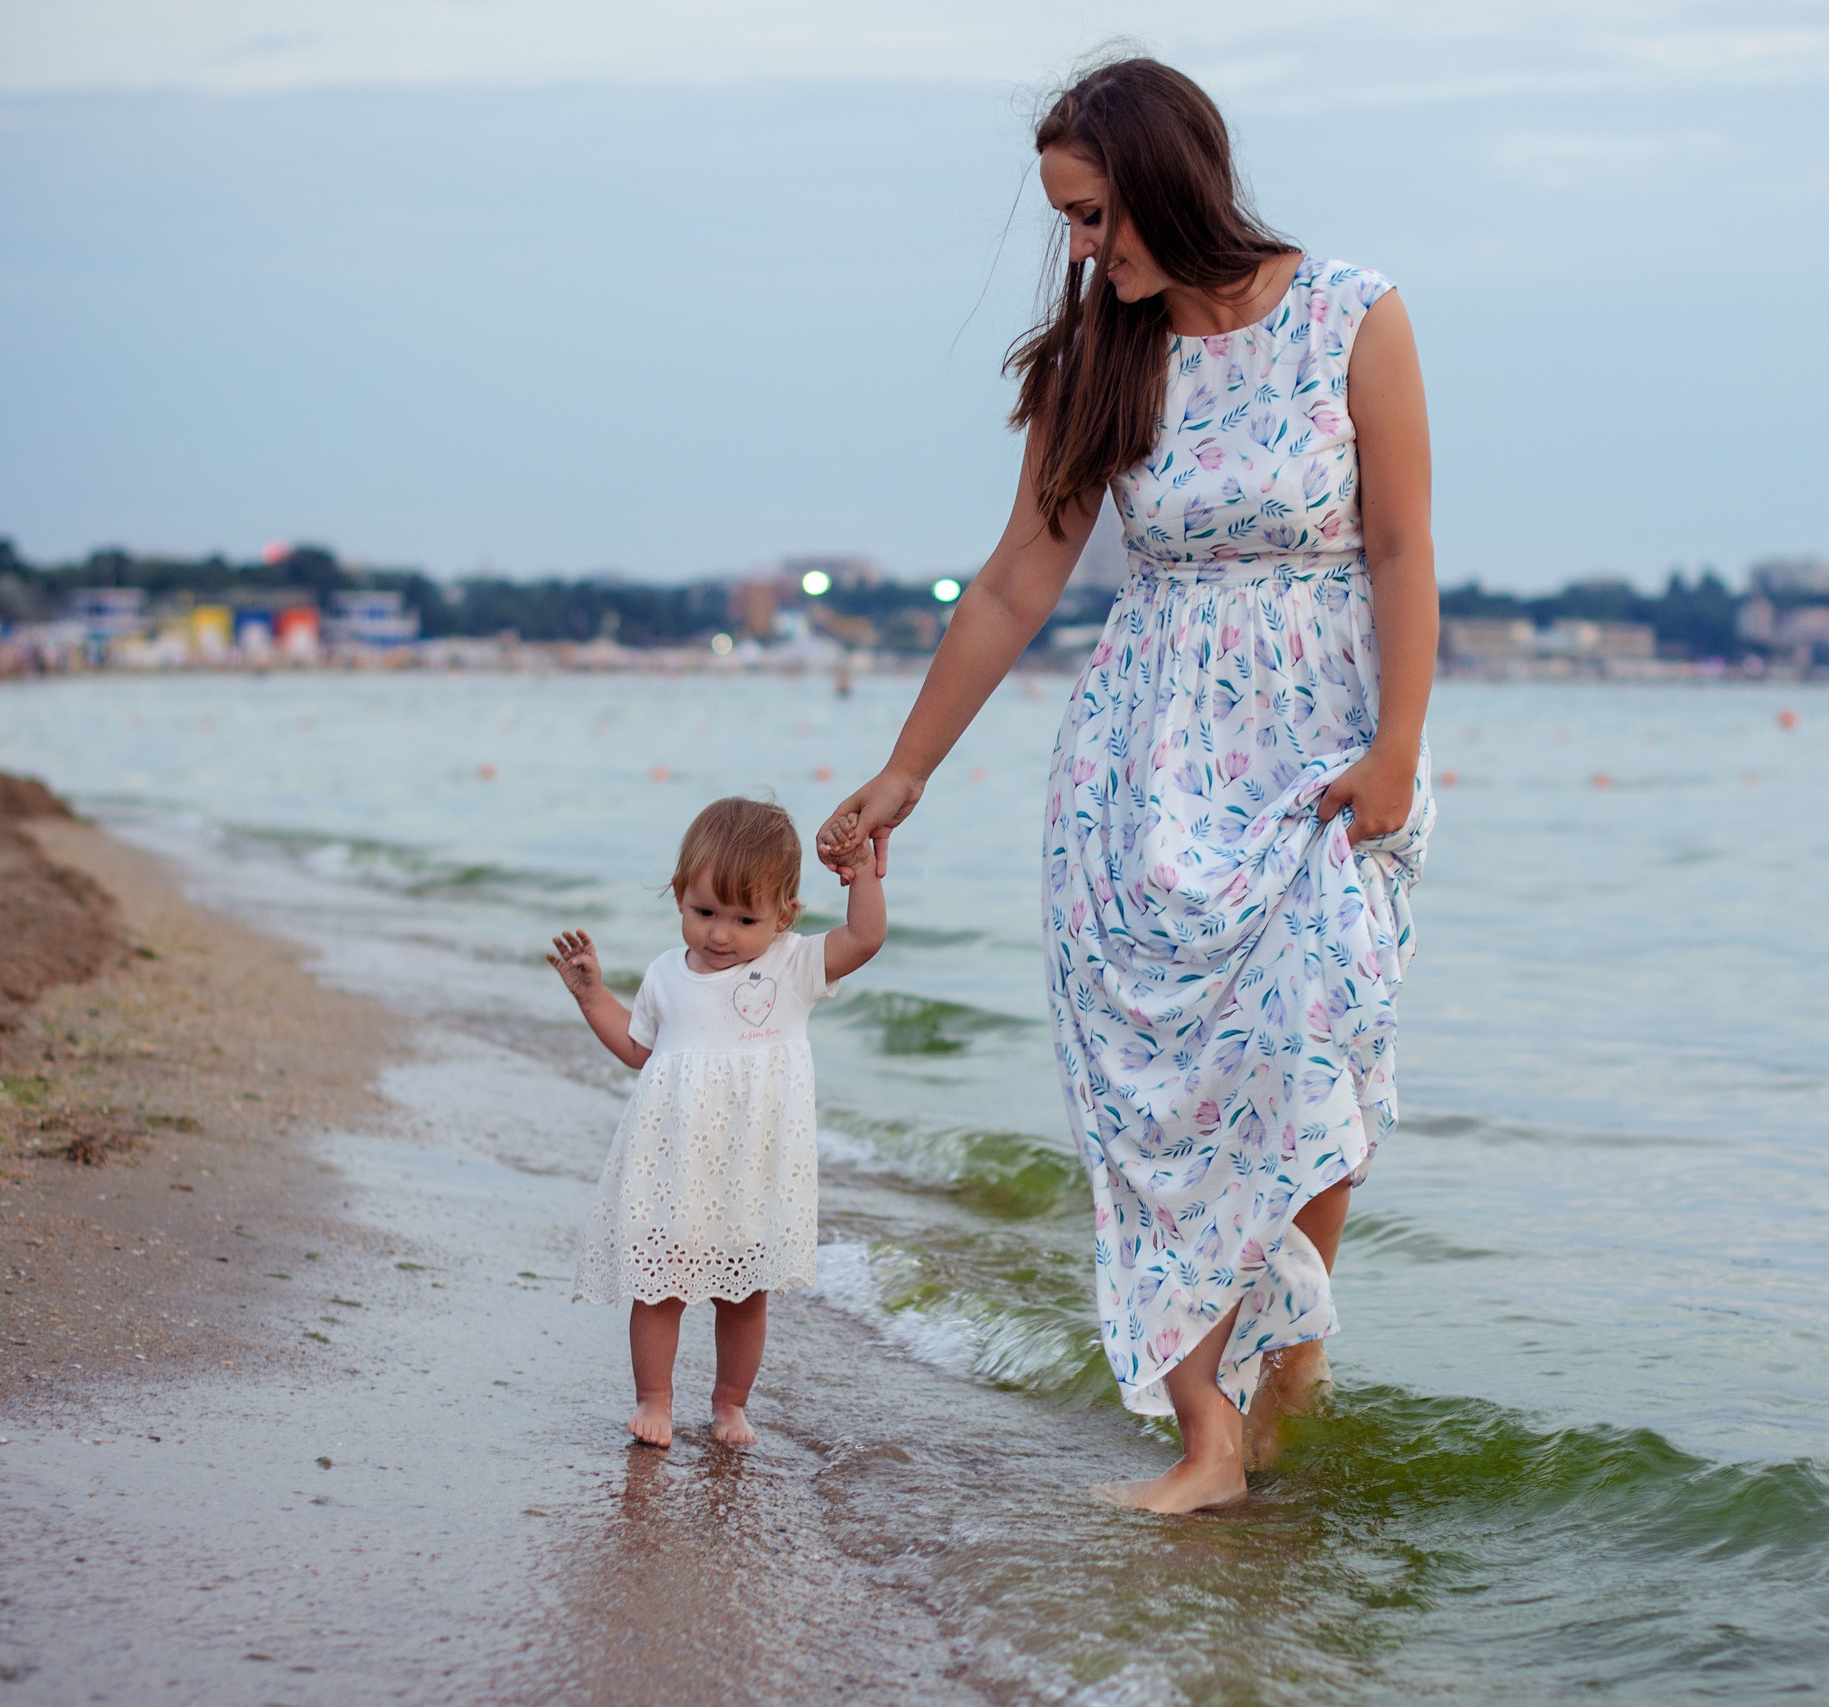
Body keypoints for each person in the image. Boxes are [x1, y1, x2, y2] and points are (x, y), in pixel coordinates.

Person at [818, 56, 1436, 1513]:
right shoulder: (1108, 356)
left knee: (1311, 1043)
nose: (1086, 248)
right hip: (1143, 765)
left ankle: (1290, 1348)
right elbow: (1020, 576)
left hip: (1330, 746)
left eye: (1096, 214)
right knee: (1157, 1100)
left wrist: (1399, 744)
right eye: (1070, 224)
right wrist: (905, 769)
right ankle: (1209, 1437)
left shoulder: (1357, 311)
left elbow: (1403, 546)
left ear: (1170, 176)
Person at [550, 796, 886, 1448]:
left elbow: (865, 937)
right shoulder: (664, 976)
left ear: (784, 915)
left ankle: (730, 1404)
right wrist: (594, 995)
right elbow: (639, 1049)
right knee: (660, 1285)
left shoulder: (790, 965)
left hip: (753, 1164)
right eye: (704, 912)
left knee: (745, 1293)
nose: (720, 934)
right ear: (679, 896)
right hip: (675, 1157)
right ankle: (654, 1398)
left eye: (745, 918)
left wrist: (864, 872)